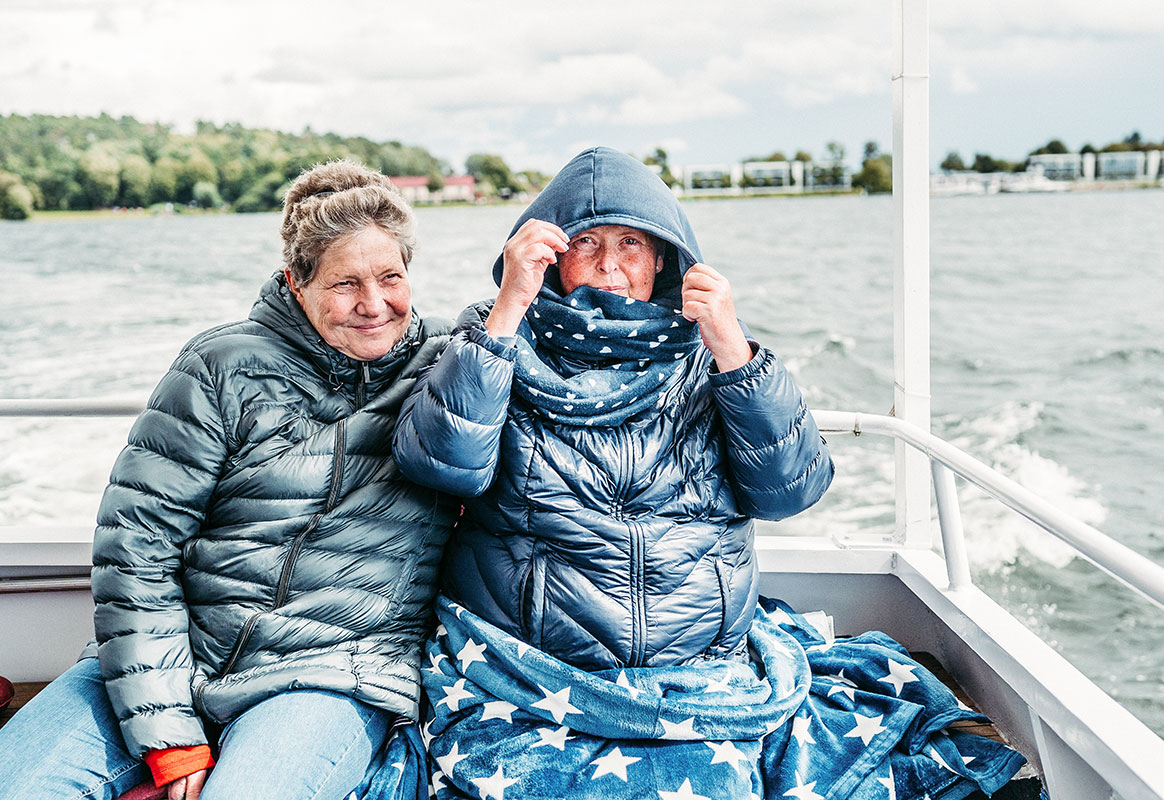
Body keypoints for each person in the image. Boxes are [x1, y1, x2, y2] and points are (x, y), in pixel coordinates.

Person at [393, 147, 1026, 799]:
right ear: (550, 255)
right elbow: (442, 466)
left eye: (631, 243)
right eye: (587, 243)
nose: (610, 264)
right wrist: (506, 312)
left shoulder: (711, 347)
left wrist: (735, 350)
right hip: (533, 668)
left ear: (664, 256)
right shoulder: (491, 335)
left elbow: (791, 490)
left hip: (697, 668)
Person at [0, 160, 456, 800]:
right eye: (345, 283)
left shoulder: (450, 360)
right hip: (177, 650)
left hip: (333, 670)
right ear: (297, 282)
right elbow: (138, 544)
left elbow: (555, 323)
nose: (374, 304)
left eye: (390, 277)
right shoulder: (221, 366)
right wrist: (167, 732)